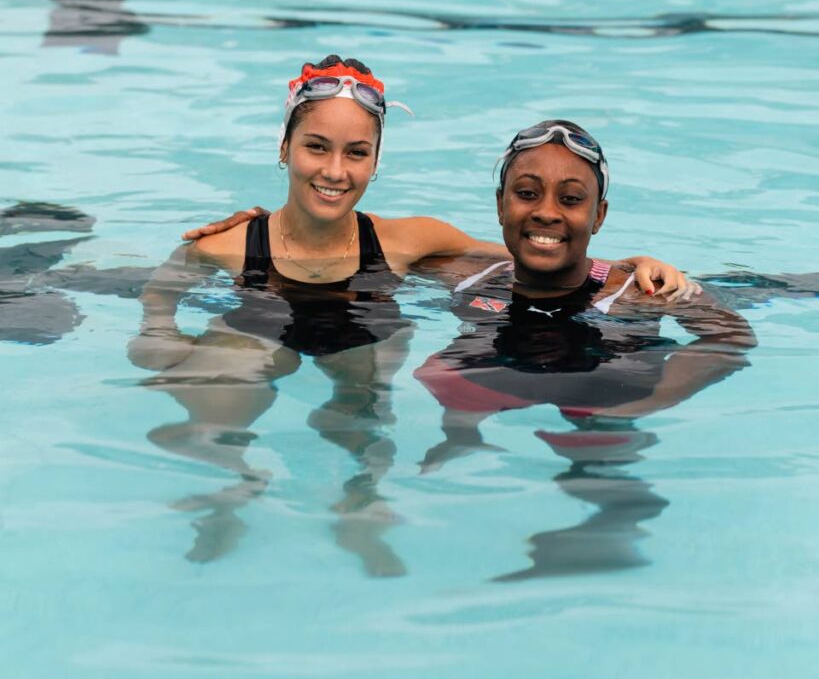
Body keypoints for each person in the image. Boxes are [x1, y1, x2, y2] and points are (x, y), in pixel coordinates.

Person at [128, 56, 698, 571]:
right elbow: (161, 293)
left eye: (357, 153)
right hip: (258, 325)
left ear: (376, 162)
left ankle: (361, 502)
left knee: (364, 407)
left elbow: (531, 252)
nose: (334, 171)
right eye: (316, 148)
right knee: (221, 393)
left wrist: (628, 265)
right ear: (284, 149)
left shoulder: (408, 241)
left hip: (359, 336)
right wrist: (160, 335)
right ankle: (229, 491)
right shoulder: (227, 245)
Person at [411, 119, 758, 475]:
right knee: (448, 371)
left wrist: (642, 403)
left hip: (602, 397)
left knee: (597, 479)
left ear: (599, 216)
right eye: (527, 193)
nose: (546, 213)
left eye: (571, 199)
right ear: (501, 205)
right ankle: (460, 433)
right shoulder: (468, 276)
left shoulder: (639, 292)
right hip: (492, 382)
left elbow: (731, 337)